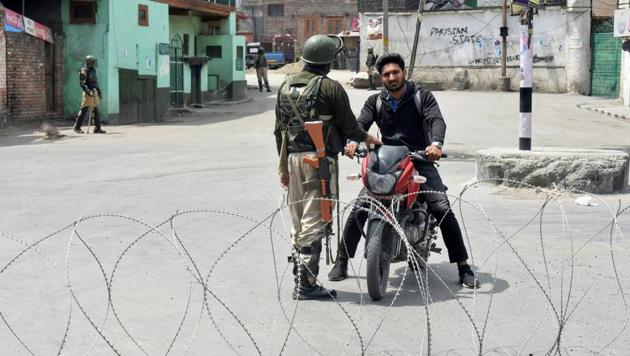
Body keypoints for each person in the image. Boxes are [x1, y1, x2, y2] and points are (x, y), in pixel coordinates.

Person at [327, 53, 479, 289]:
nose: (391, 77)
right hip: (388, 161)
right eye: (386, 74)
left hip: (420, 159)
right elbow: (360, 124)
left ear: (403, 73)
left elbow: (436, 120)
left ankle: (463, 266)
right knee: (361, 206)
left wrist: (435, 144)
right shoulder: (375, 101)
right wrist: (353, 140)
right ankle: (342, 260)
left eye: (395, 72)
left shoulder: (421, 97)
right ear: (381, 78)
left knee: (441, 207)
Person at [274, 35, 382, 300]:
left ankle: (301, 275)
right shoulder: (330, 88)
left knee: (299, 219)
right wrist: (368, 139)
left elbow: (279, 131)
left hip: (292, 159)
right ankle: (306, 284)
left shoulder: (285, 86)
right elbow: (349, 127)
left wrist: (284, 170)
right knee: (316, 217)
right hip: (319, 162)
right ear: (328, 61)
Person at [74, 55, 105, 134]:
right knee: (84, 109)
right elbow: (82, 83)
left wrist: (99, 92)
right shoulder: (83, 70)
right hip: (88, 92)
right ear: (89, 63)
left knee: (96, 110)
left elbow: (95, 83)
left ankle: (97, 128)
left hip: (94, 92)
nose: (95, 64)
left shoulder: (93, 71)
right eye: (93, 62)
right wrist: (88, 91)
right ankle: (77, 127)